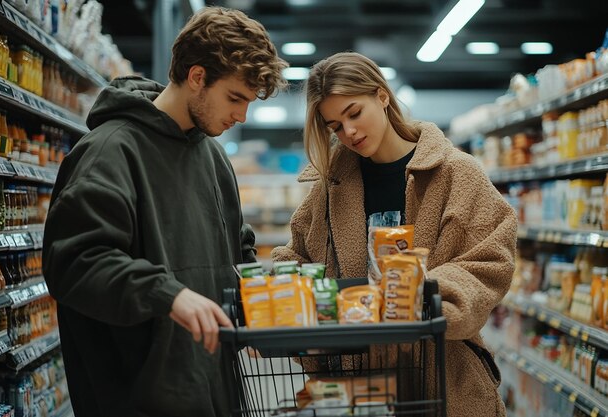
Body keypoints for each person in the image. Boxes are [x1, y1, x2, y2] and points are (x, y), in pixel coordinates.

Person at [42, 7, 287, 417]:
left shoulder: (213, 157)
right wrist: (168, 295)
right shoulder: (109, 152)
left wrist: (259, 304)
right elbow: (74, 262)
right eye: (235, 98)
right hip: (135, 396)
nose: (241, 116)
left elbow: (237, 250)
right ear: (197, 77)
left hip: (213, 388)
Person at [272, 52, 517, 417]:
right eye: (335, 126)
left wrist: (418, 295)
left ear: (382, 96)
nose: (349, 132)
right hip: (360, 387)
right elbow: (295, 257)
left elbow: (491, 259)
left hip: (445, 379)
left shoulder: (456, 174)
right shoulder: (330, 189)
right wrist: (290, 302)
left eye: (354, 113)